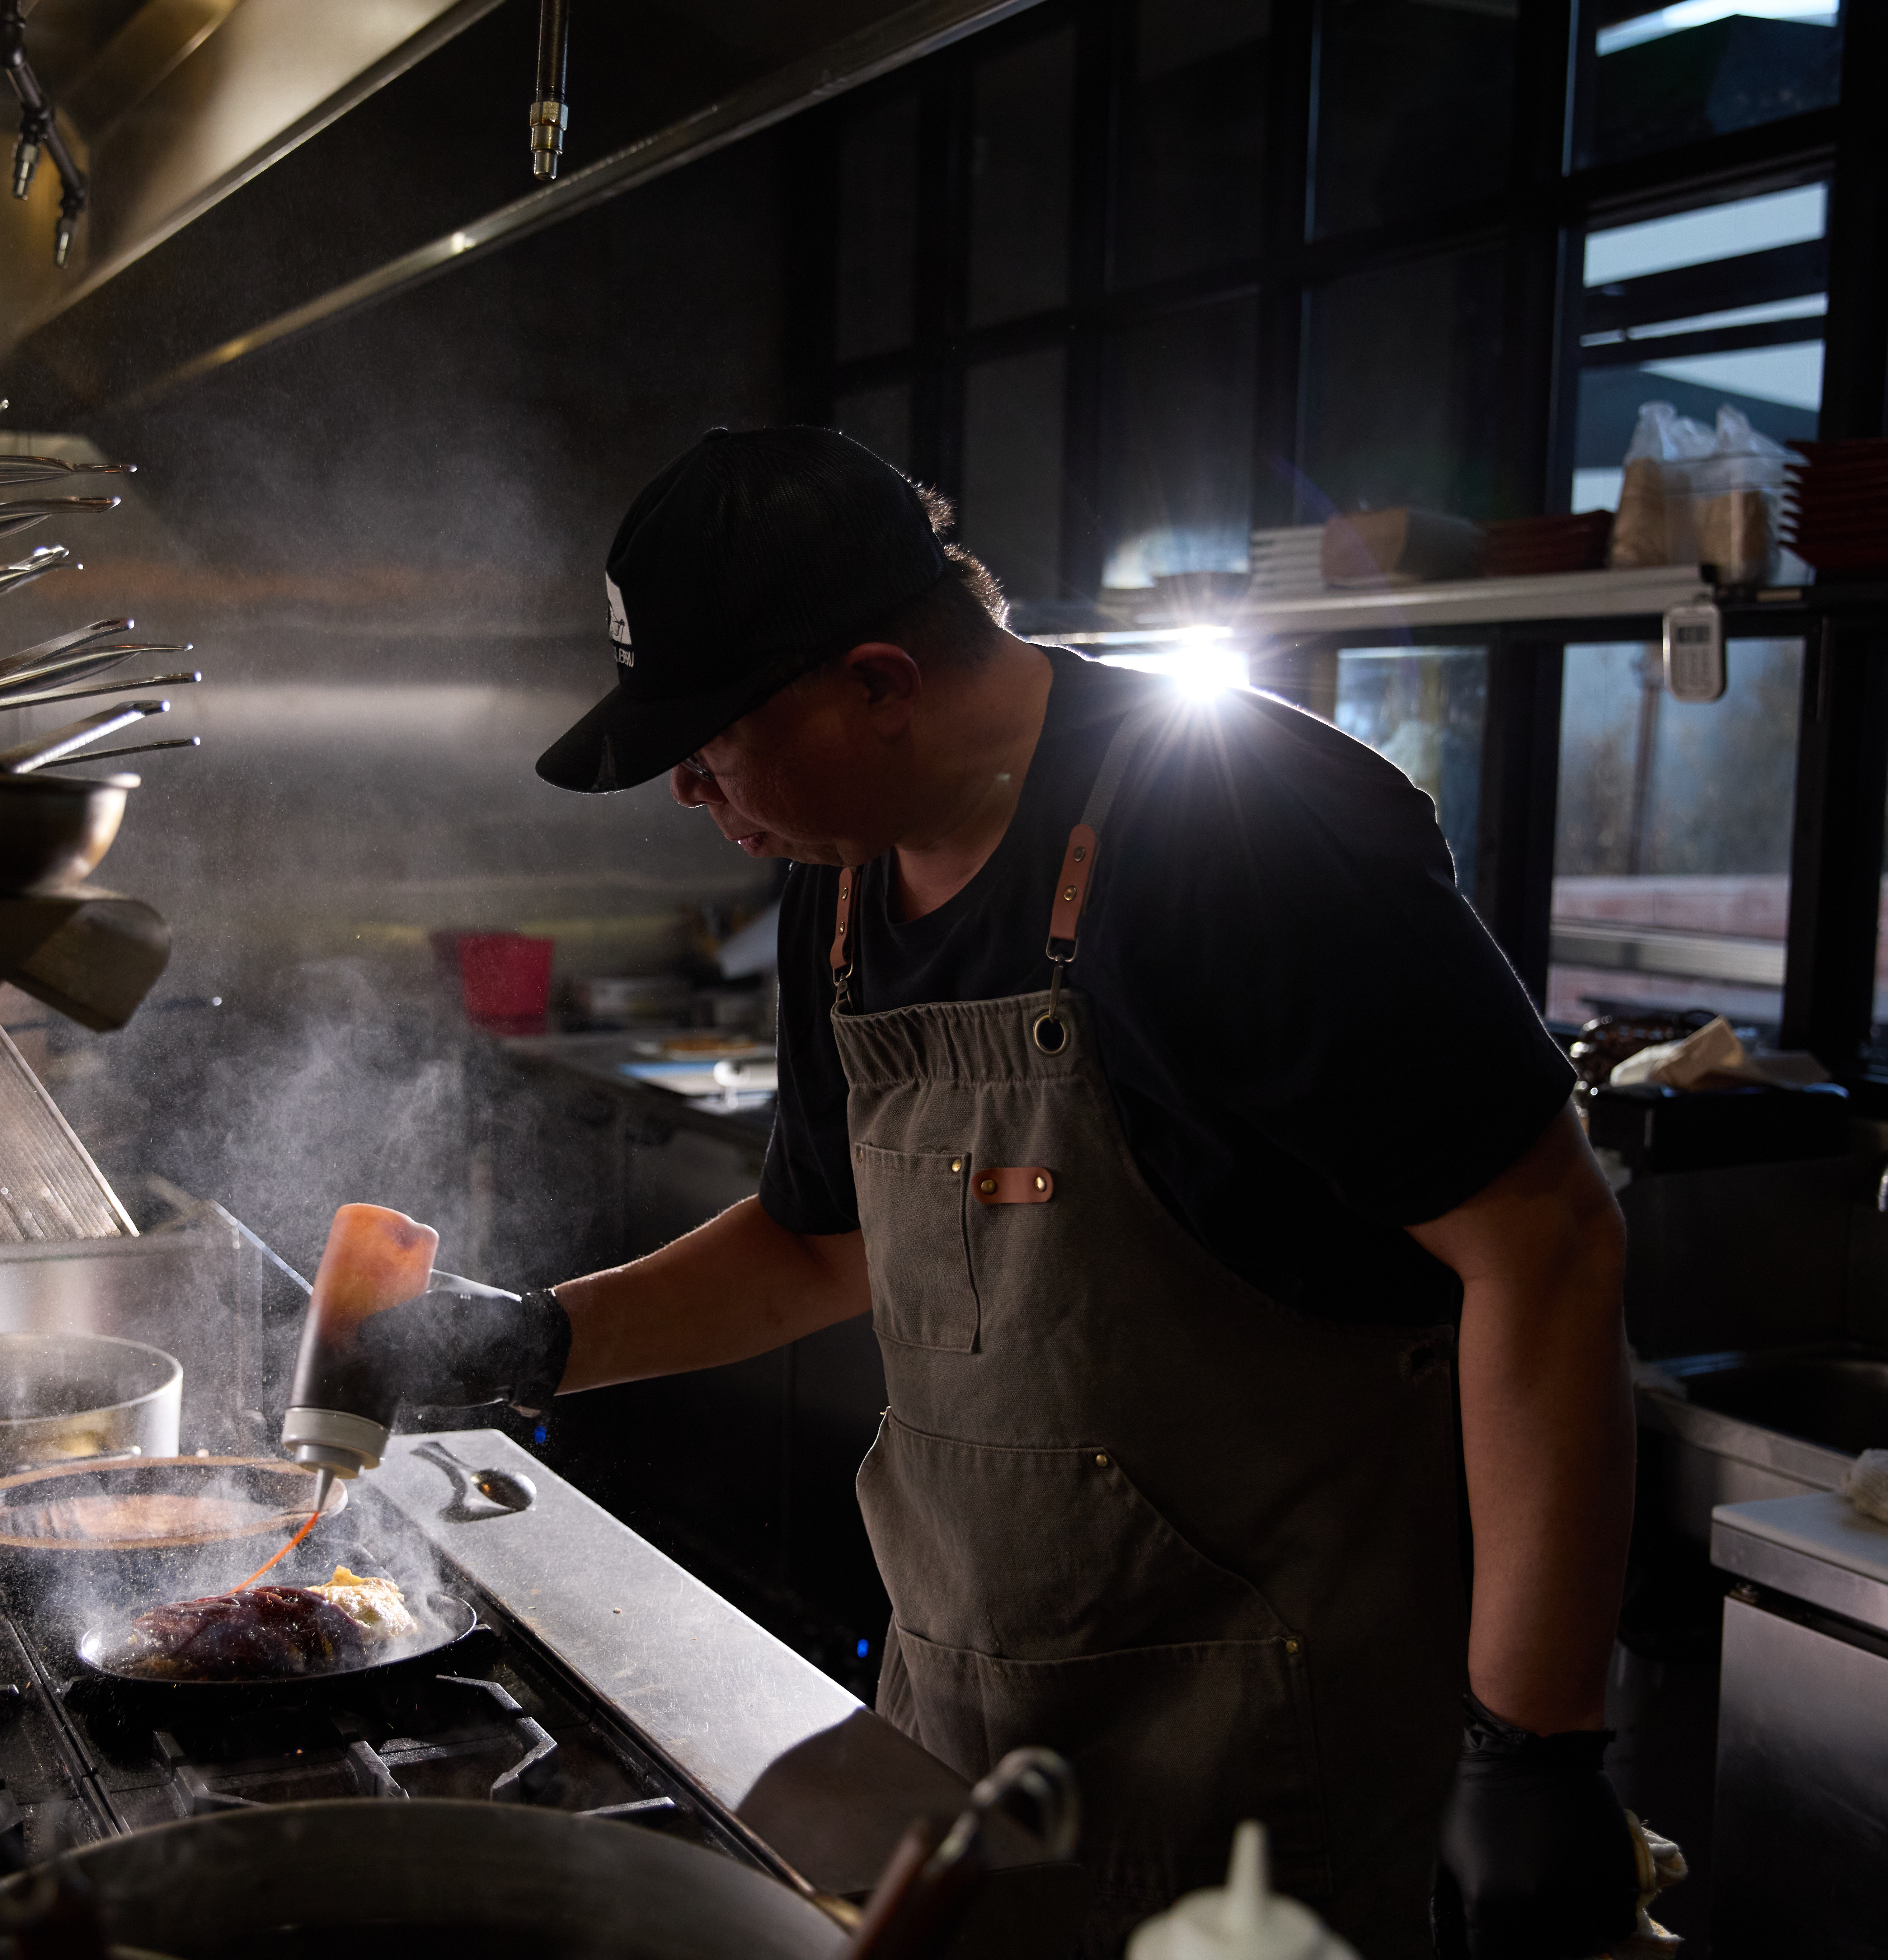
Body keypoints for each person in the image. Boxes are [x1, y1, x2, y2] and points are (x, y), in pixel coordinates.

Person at [386, 427, 1640, 1959]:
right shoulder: (840, 885)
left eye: (706, 749)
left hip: (1270, 1773)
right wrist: (526, 1343)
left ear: (879, 683)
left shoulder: (1237, 828)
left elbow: (1547, 1243)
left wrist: (1535, 1747)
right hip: (968, 1730)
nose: (688, 796)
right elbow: (812, 1239)